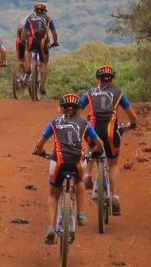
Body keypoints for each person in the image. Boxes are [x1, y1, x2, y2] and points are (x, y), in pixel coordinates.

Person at [33, 93, 103, 244]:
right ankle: (80, 214)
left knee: (53, 194)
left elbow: (40, 145)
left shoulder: (54, 122)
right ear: (78, 110)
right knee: (79, 182)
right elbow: (100, 143)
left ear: (61, 109)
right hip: (78, 163)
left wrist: (40, 152)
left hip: (58, 163)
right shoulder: (85, 123)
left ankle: (52, 226)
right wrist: (94, 153)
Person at [80, 65, 137, 216]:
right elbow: (133, 117)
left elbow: (77, 109)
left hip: (93, 130)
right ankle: (116, 198)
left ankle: (87, 175)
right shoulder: (118, 93)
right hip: (111, 131)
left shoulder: (90, 92)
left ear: (97, 80)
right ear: (113, 80)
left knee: (90, 145)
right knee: (113, 164)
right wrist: (132, 124)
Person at [20, 3, 59, 95]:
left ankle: (28, 67)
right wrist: (55, 42)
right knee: (44, 63)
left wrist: (22, 40)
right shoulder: (49, 19)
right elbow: (54, 33)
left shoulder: (30, 18)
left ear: (35, 10)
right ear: (45, 11)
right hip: (43, 42)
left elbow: (24, 31)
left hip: (31, 40)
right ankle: (42, 85)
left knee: (28, 50)